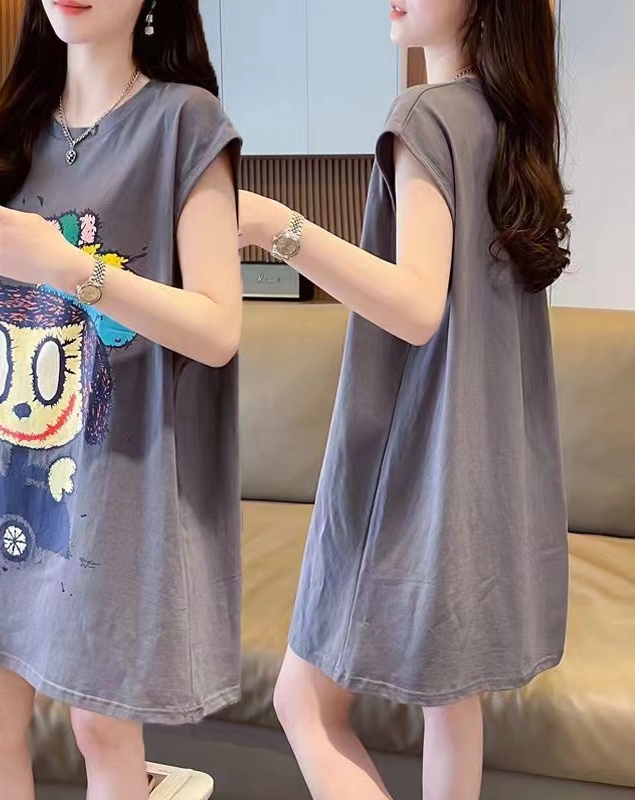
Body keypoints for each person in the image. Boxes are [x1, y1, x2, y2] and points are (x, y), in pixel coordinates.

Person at [0, 1, 242, 798]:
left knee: (100, 728)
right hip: (1, 456)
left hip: (112, 471)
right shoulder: (16, 128)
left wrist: (65, 264)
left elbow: (218, 329)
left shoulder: (185, 122)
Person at [238, 1, 571, 798]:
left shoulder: (425, 116)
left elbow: (418, 308)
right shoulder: (504, 125)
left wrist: (273, 225)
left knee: (302, 702)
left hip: (411, 472)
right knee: (452, 704)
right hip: (487, 472)